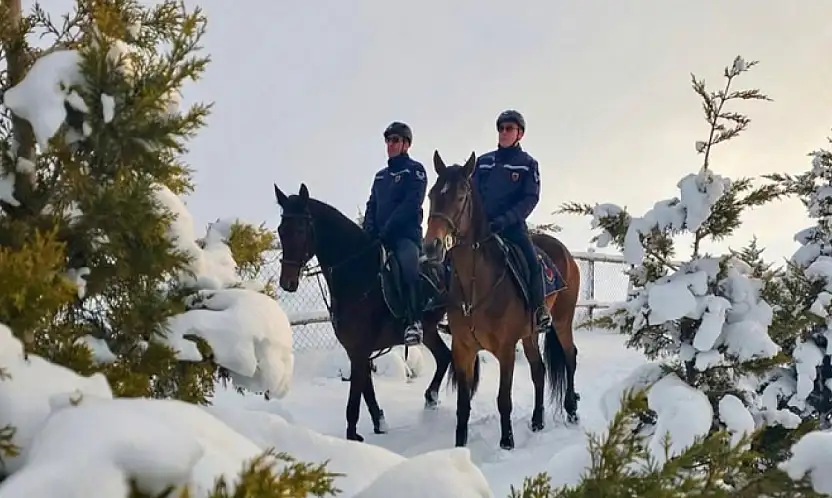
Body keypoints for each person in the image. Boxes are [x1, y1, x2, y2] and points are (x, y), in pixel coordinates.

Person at [472, 110, 552, 332]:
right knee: (455, 258)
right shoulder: (483, 162)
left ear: (520, 134)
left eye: (509, 128)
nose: (504, 132)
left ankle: (539, 311)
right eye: (501, 128)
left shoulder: (528, 164)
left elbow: (530, 198)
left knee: (532, 263)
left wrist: (504, 220)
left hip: (512, 228)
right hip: (482, 228)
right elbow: (472, 193)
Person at [362, 121, 428, 346]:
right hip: (378, 236)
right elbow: (372, 204)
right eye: (388, 140)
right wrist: (369, 230)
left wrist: (387, 229)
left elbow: (411, 203)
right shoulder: (380, 176)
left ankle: (414, 322)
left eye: (396, 140)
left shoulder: (415, 170)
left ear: (406, 144)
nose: (391, 144)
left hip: (405, 237)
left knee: (409, 268)